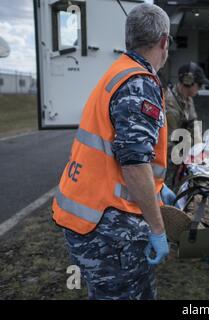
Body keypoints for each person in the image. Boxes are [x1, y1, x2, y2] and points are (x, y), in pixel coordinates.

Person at [52, 4, 172, 300]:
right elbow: (133, 163)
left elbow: (120, 151)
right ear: (164, 42)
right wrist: (157, 228)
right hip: (109, 228)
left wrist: (158, 189)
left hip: (88, 217)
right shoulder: (139, 83)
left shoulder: (119, 72)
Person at [165, 62, 209, 188]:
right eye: (199, 84)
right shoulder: (170, 106)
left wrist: (200, 151)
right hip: (169, 160)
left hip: (180, 156)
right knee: (169, 193)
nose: (200, 88)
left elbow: (194, 125)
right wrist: (187, 160)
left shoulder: (187, 99)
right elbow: (169, 144)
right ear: (188, 81)